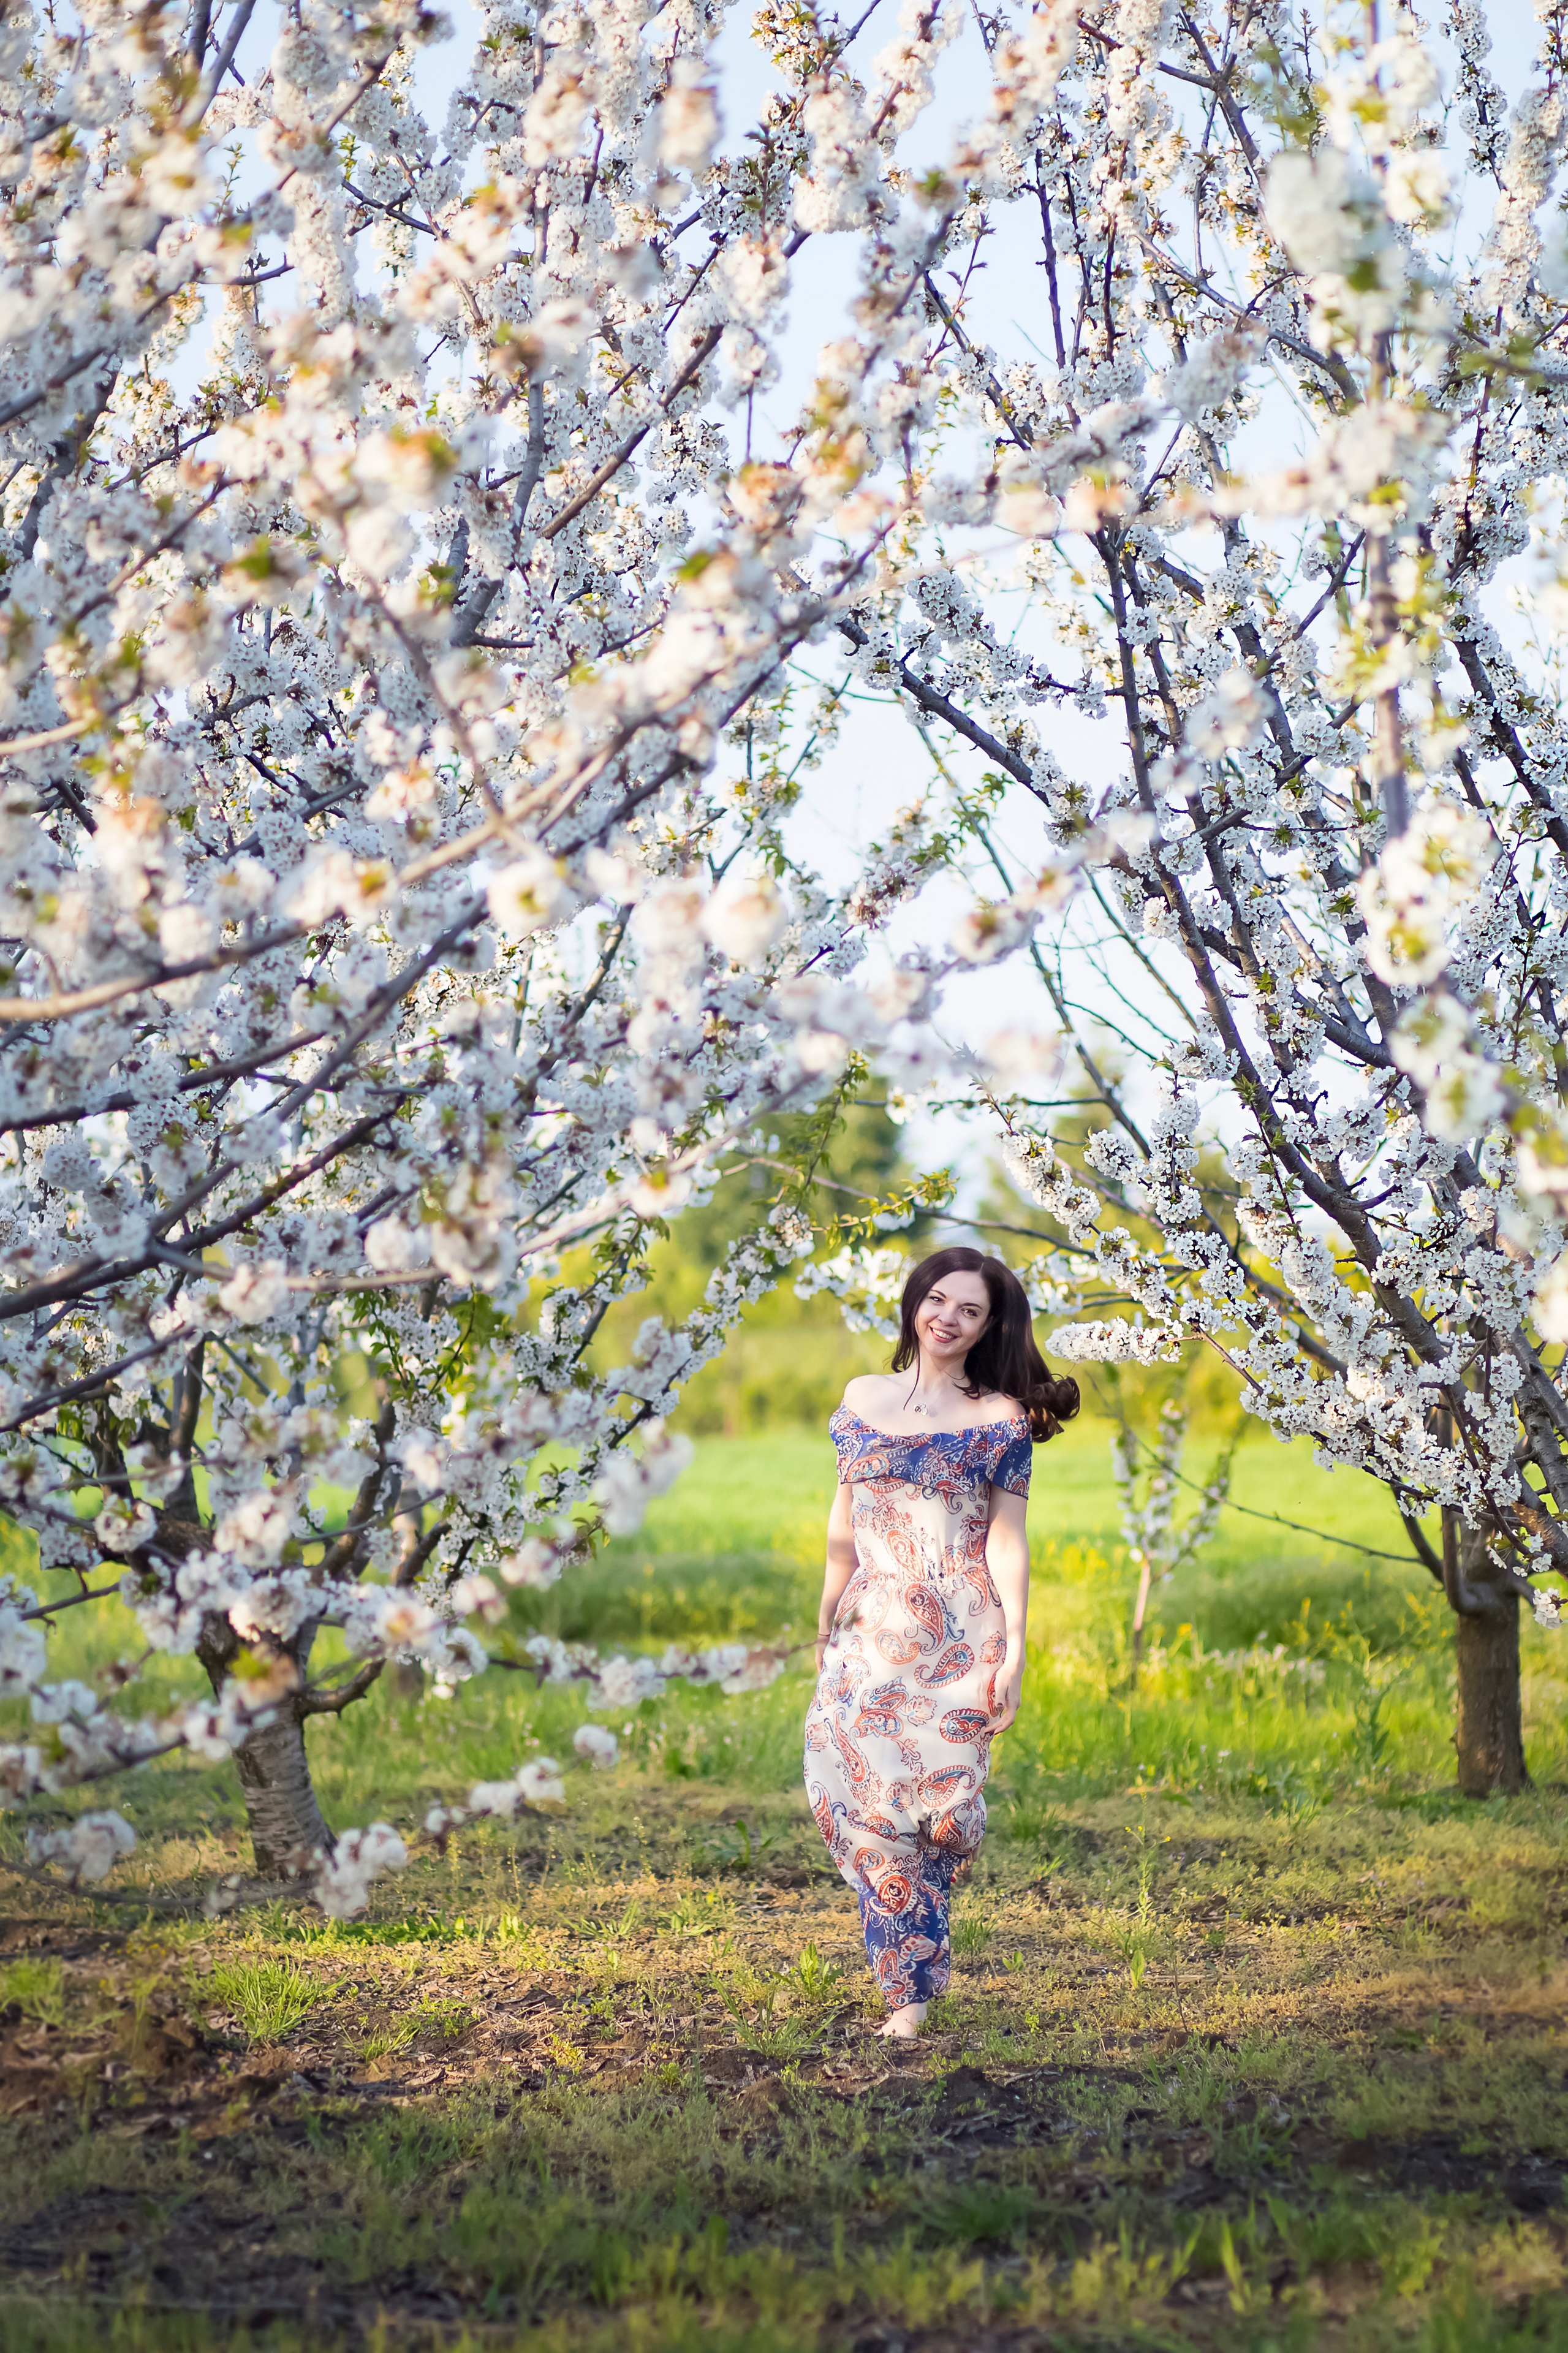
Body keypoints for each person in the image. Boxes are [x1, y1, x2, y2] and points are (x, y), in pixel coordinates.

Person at [803, 1245, 1080, 2039]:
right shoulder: (863, 1397)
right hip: (869, 1627)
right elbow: (843, 1524)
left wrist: (1017, 1648)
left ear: (990, 1327)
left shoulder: (1001, 1418)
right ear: (914, 1302)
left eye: (970, 1310)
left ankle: (932, 1893)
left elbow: (1008, 1542)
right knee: (864, 1805)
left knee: (947, 1814)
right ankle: (910, 1994)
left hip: (961, 1631)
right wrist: (825, 1617)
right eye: (938, 1299)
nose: (948, 1318)